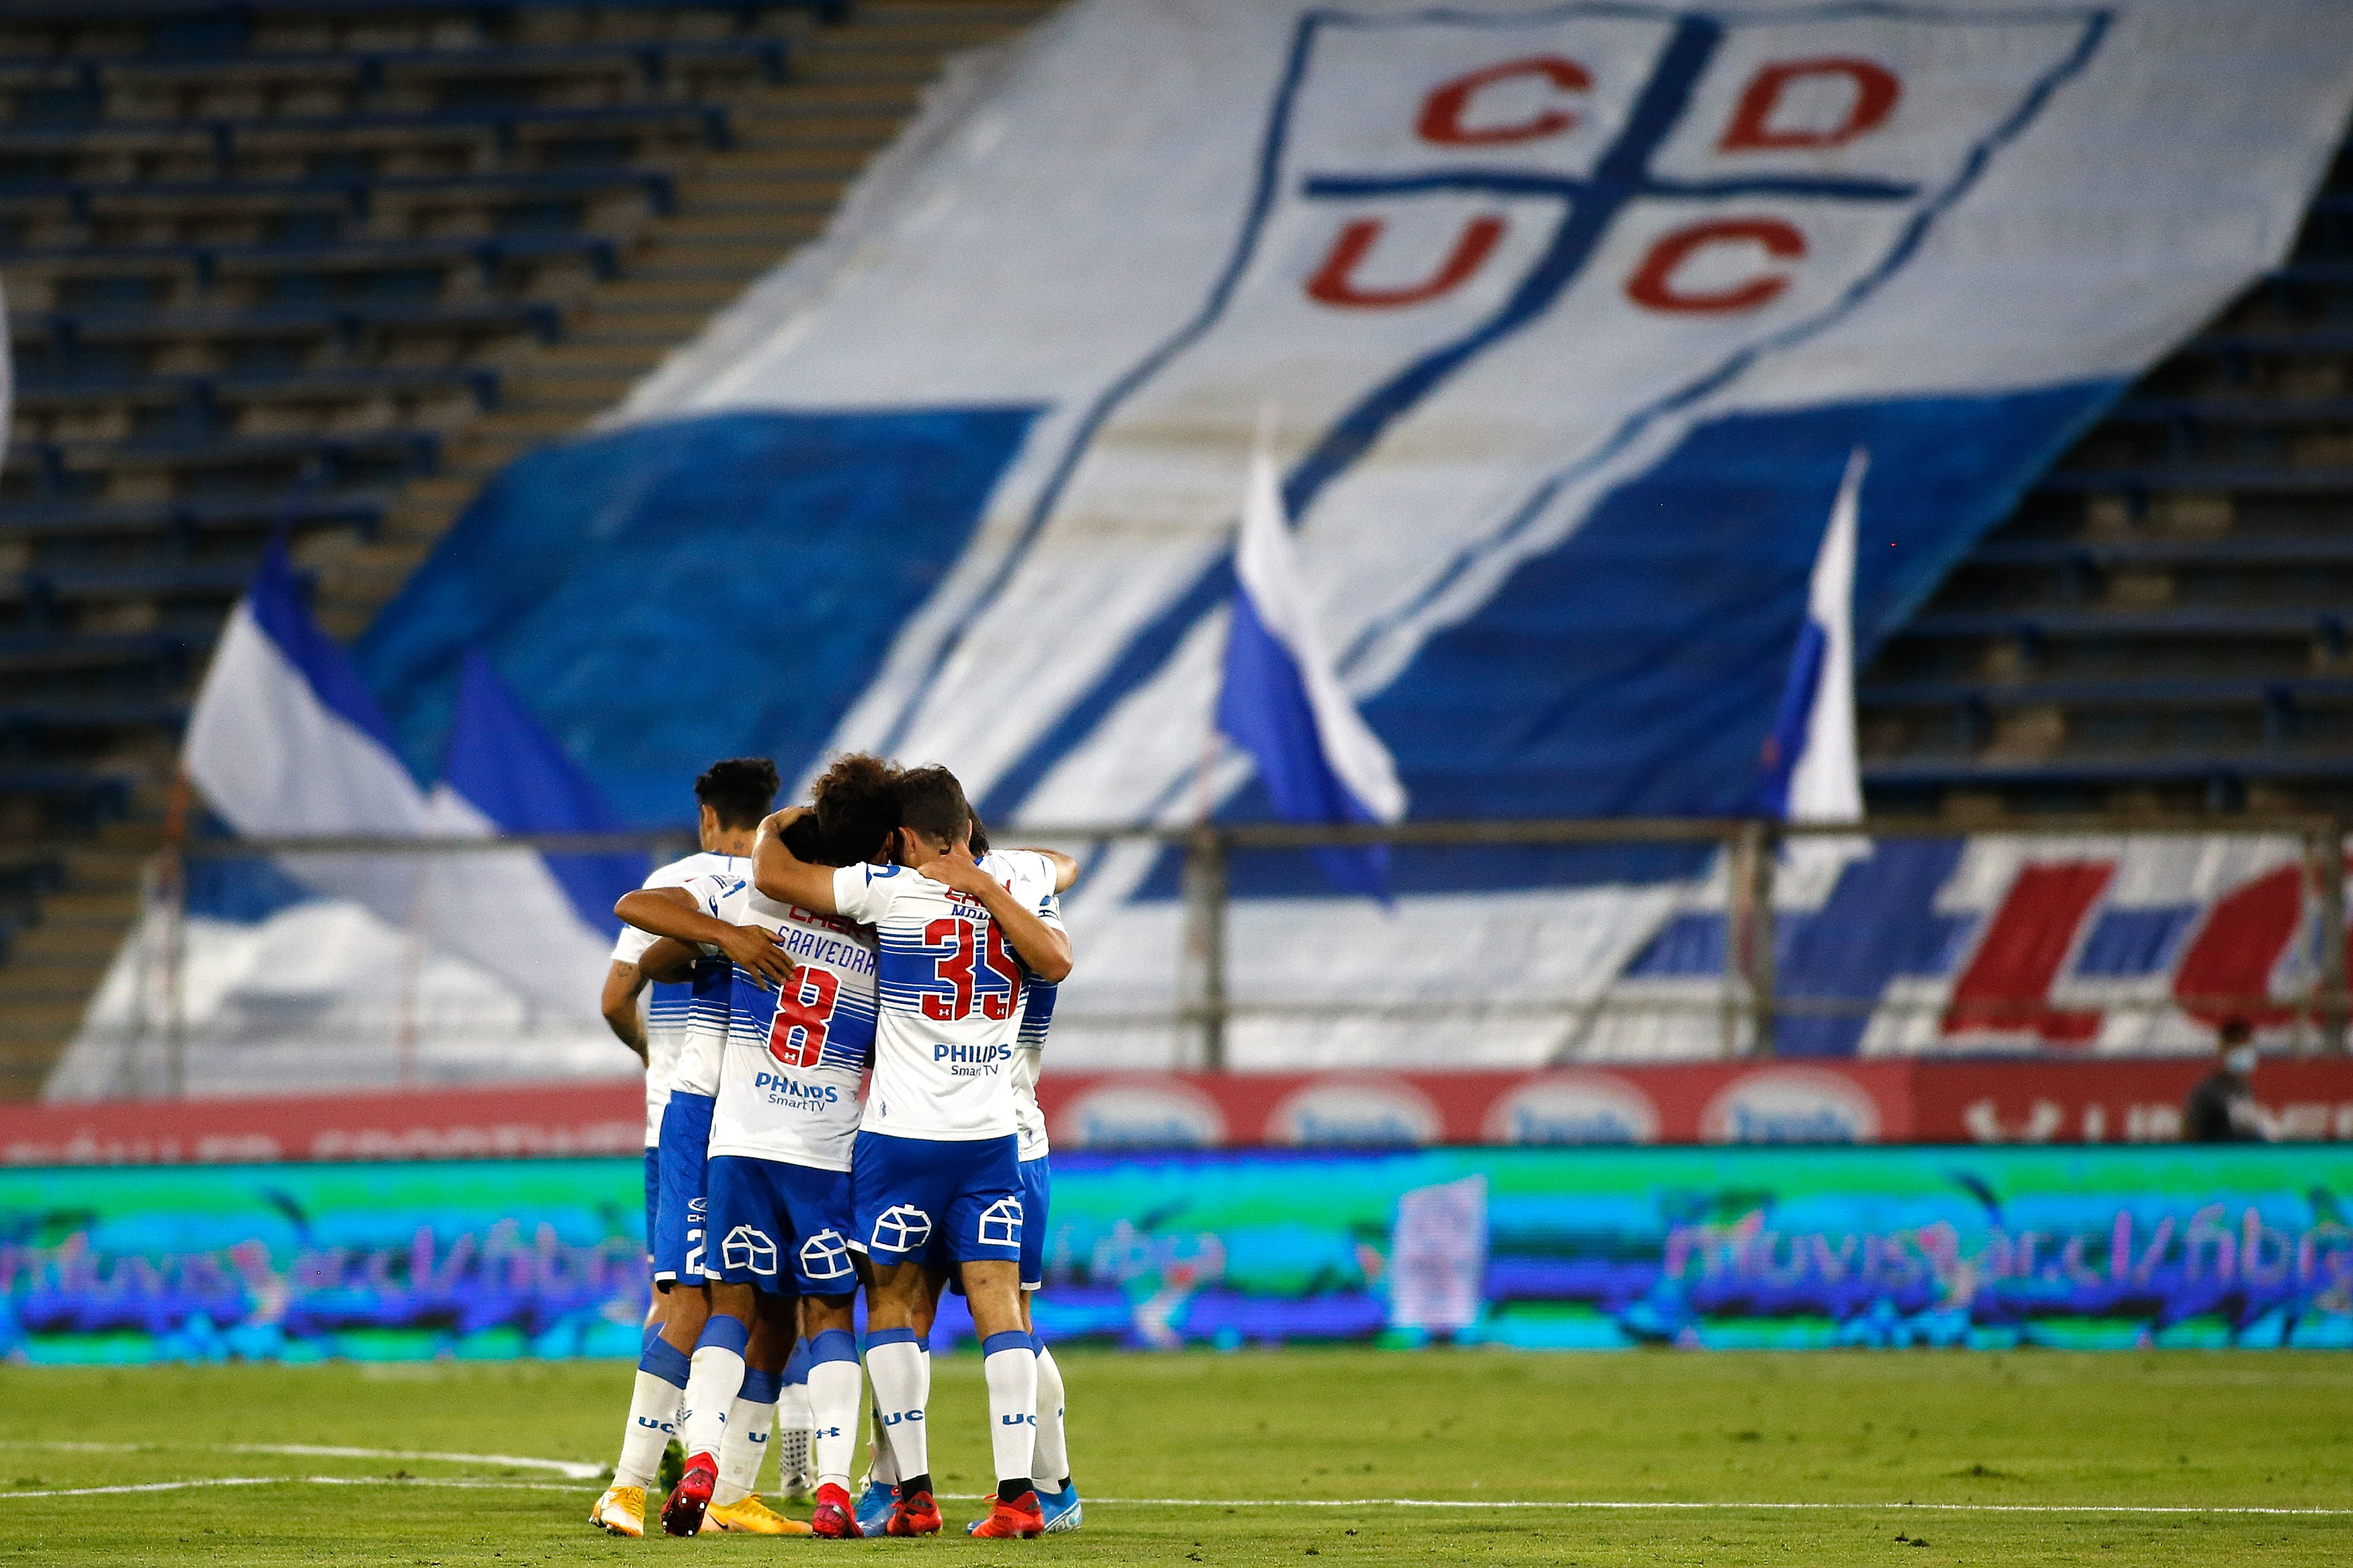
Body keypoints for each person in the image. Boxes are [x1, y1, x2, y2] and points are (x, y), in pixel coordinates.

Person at [754, 764, 1072, 1539]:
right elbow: (1060, 906)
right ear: (966, 827)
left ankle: (912, 1491)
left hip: (901, 1140)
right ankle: (1024, 1493)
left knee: (896, 1305)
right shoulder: (1021, 876)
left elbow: (774, 871)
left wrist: (780, 821)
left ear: (899, 839)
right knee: (1006, 1308)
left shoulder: (887, 889)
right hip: (999, 1133)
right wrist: (986, 879)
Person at [617, 757, 901, 1536]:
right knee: (827, 1312)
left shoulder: (754, 892)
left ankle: (703, 1457)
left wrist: (724, 938)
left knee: (727, 1305)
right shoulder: (886, 920)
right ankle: (834, 1487)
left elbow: (641, 948)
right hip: (828, 1148)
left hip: (737, 1138)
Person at [590, 757, 781, 1537]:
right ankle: (684, 1466)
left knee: (683, 1291)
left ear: (706, 813)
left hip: (679, 1106)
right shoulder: (795, 884)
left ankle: (689, 1462)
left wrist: (646, 1053)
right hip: (760, 1114)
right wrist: (726, 937)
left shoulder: (684, 878)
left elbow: (618, 992)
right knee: (754, 1296)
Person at [2183, 1017, 2271, 1143]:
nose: (2242, 1053)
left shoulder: (2245, 1089)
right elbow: (2188, 1135)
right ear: (2223, 1050)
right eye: (2236, 1046)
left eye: (2245, 1046)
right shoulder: (2207, 1091)